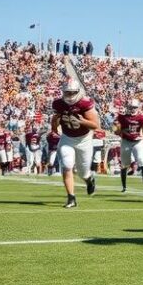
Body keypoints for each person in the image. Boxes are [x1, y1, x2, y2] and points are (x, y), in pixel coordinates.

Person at [51, 79, 100, 207]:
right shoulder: (58, 104)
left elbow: (95, 125)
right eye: (67, 93)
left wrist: (82, 121)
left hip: (84, 140)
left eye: (73, 92)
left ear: (78, 92)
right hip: (67, 138)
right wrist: (55, 123)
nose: (70, 96)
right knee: (67, 166)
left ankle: (89, 179)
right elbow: (54, 125)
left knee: (83, 172)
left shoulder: (85, 103)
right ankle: (71, 198)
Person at [115, 98, 143, 191]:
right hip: (126, 141)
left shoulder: (142, 117)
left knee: (141, 160)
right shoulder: (122, 117)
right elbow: (116, 130)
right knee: (125, 164)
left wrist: (142, 137)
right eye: (131, 107)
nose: (132, 109)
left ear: (138, 107)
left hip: (137, 141)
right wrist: (119, 130)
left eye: (134, 107)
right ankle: (124, 186)